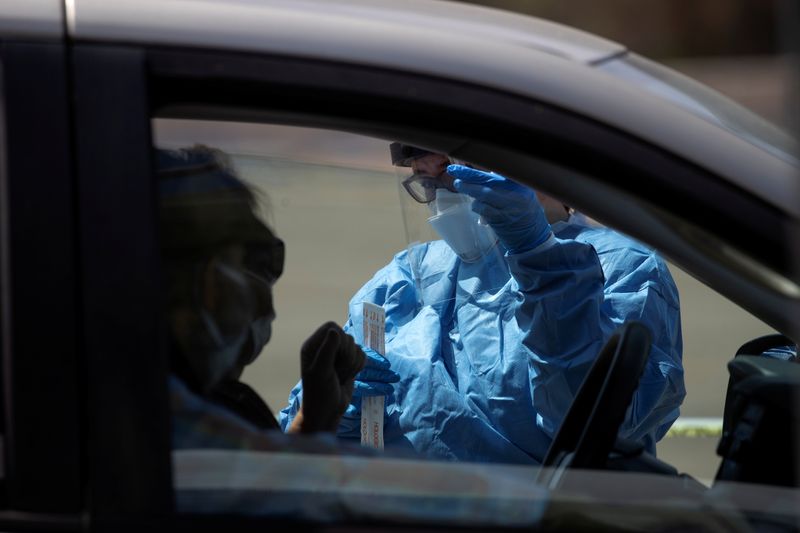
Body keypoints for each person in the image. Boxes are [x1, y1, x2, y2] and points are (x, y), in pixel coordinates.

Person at [280, 144, 685, 464]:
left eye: (452, 173)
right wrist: (334, 413)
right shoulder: (404, 280)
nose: (443, 198)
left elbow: (599, 426)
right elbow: (306, 440)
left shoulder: (623, 268)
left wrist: (539, 255)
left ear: (526, 163)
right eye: (426, 181)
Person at [158, 145, 368, 450]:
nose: (263, 304)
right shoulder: (156, 414)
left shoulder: (214, 401)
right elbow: (262, 483)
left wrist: (314, 418)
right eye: (237, 267)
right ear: (207, 285)